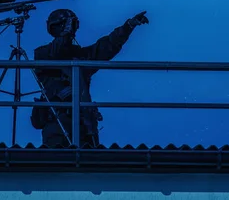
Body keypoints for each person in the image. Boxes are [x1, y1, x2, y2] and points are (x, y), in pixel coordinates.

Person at [31, 9, 149, 147]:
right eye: (69, 25)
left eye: (73, 25)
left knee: (87, 161)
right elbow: (57, 51)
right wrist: (66, 31)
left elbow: (107, 46)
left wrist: (128, 26)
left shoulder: (81, 57)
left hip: (83, 124)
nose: (72, 30)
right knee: (58, 161)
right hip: (57, 123)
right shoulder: (42, 54)